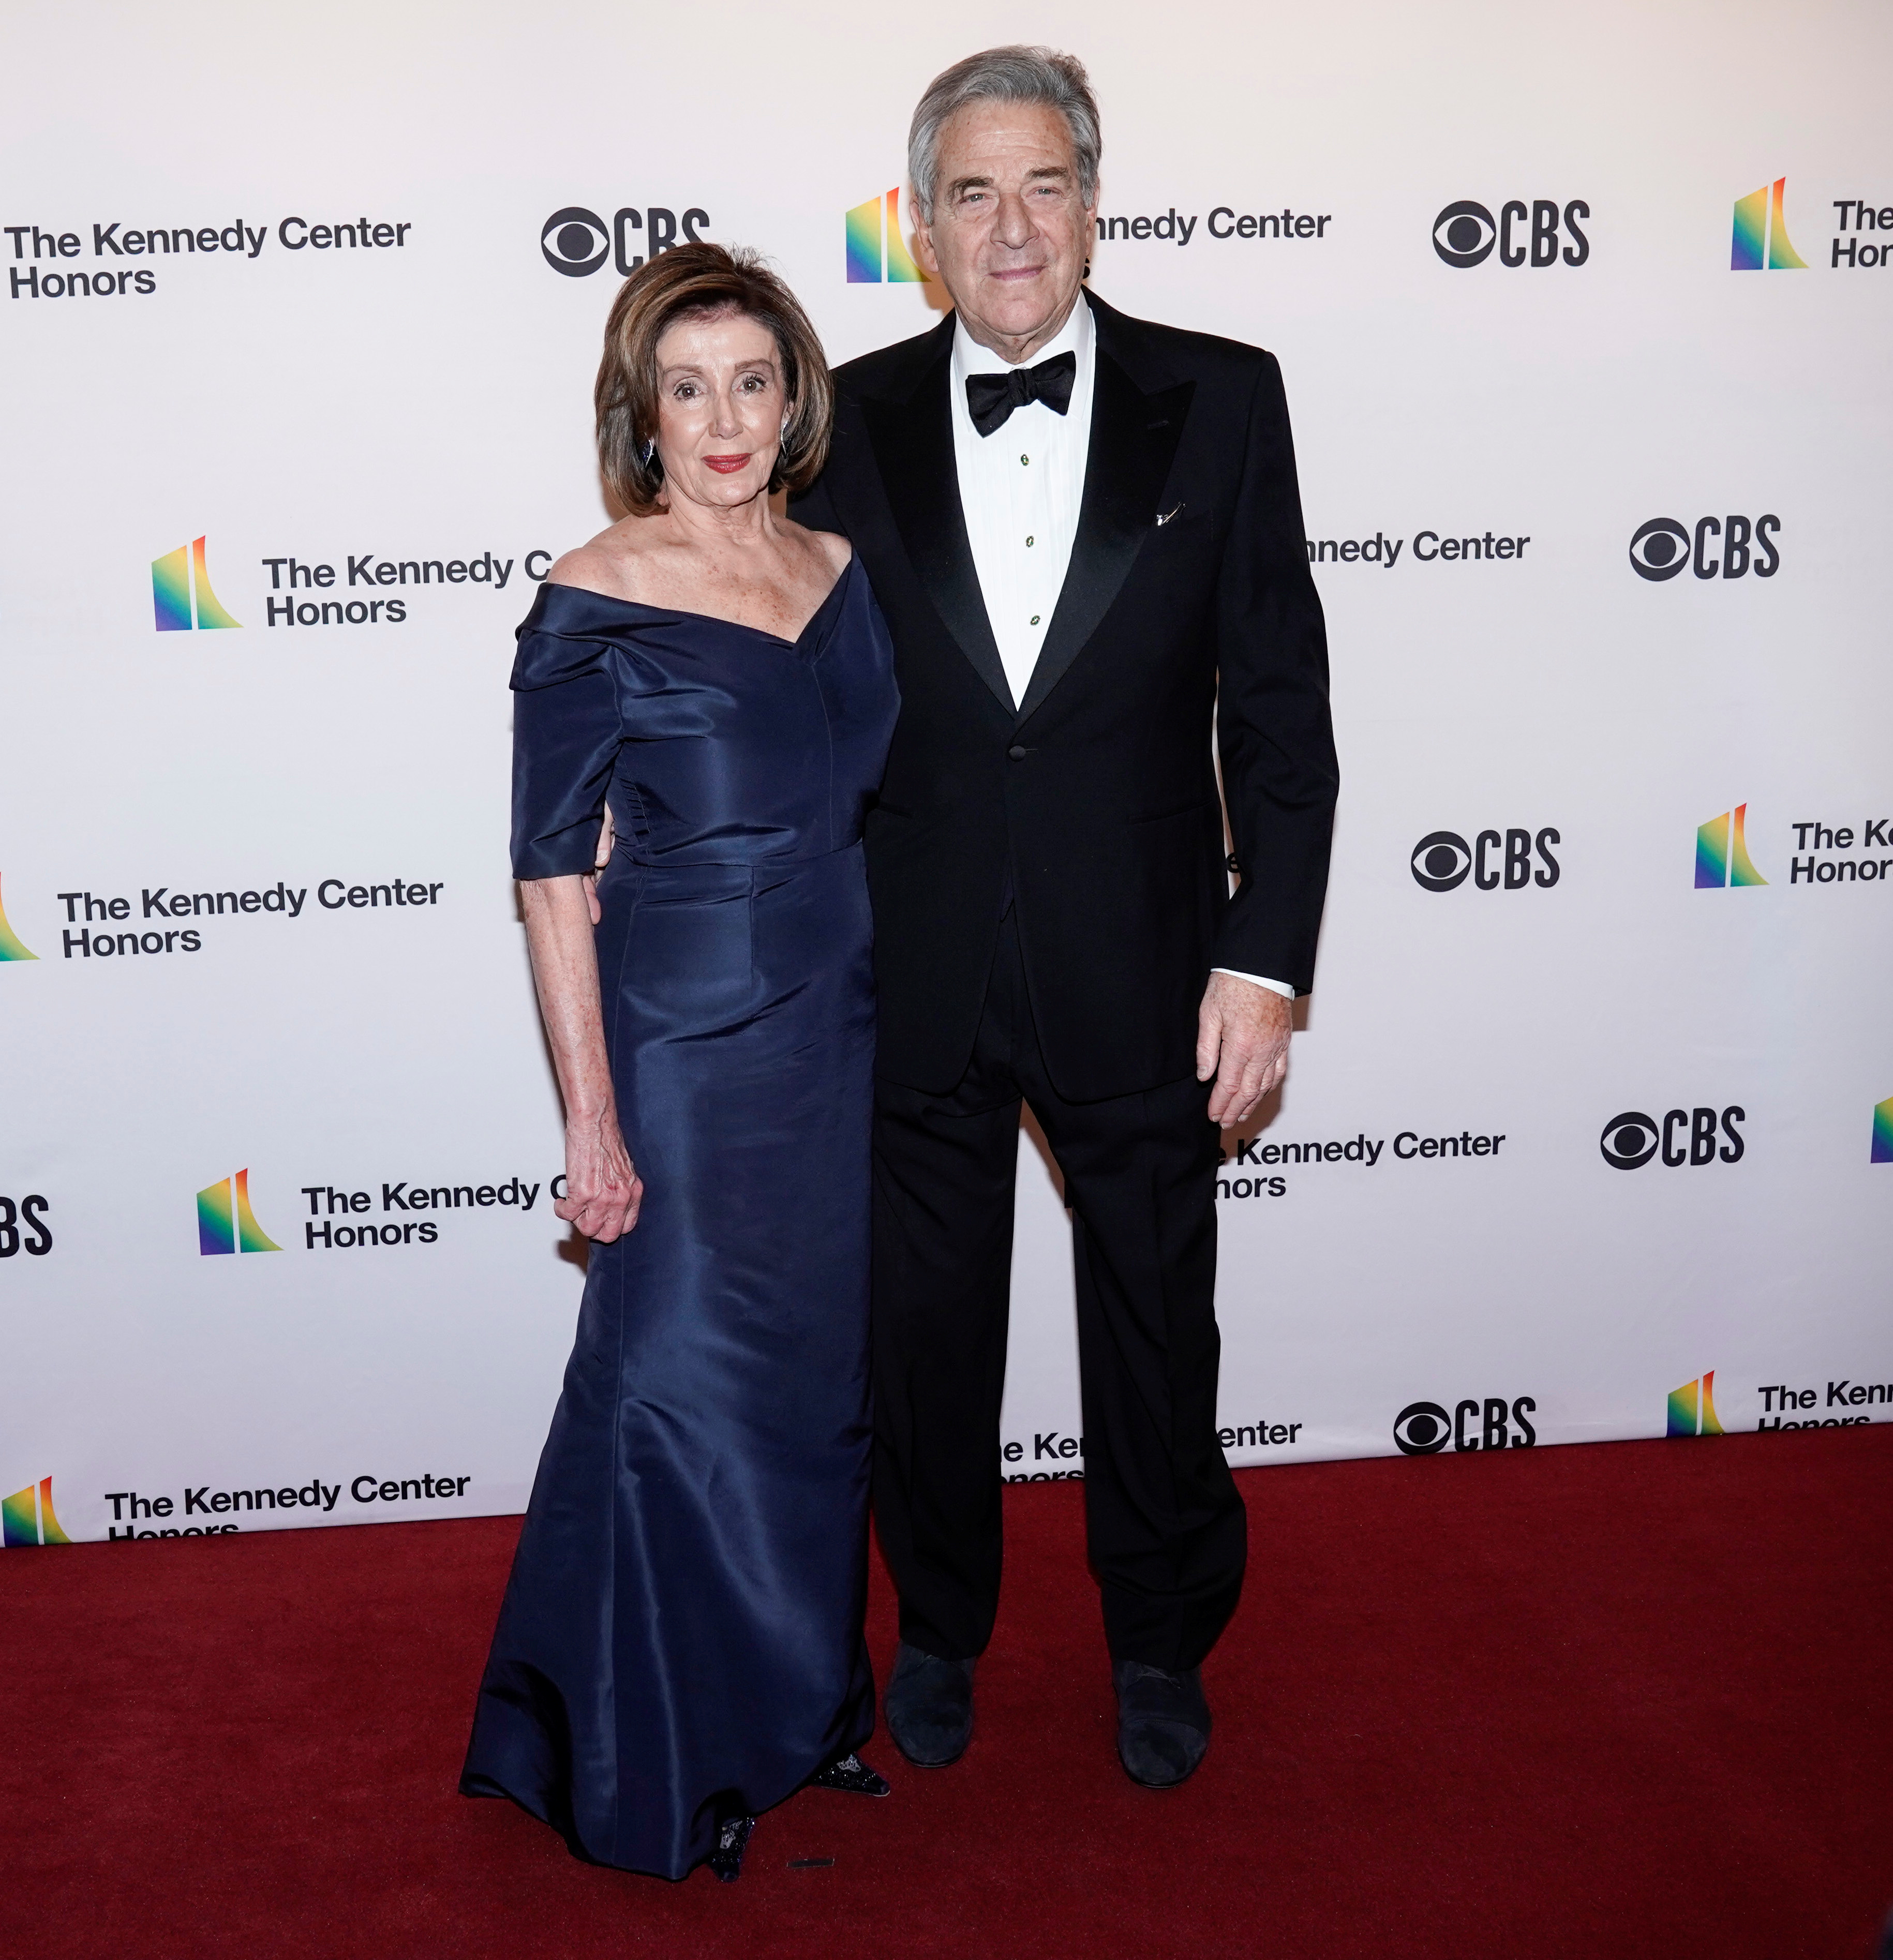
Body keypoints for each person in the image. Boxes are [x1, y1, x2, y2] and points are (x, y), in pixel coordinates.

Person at [788, 46, 1338, 1788]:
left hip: (1153, 965)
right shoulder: (840, 424)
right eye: (970, 192)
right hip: (913, 961)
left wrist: (1264, 960)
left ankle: (1160, 1635)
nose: (1009, 225)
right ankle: (937, 1625)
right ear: (921, 226)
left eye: (1041, 185)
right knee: (923, 1337)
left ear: (1093, 205)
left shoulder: (1225, 395)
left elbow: (1280, 712)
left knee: (1158, 1325)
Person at [460, 243, 901, 1882]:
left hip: (840, 1038)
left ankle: (798, 1712)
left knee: (811, 1400)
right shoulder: (594, 595)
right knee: (676, 1392)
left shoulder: (841, 569)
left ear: (793, 397)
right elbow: (551, 874)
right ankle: (660, 1755)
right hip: (688, 1047)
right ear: (641, 413)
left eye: (752, 380)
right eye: (687, 387)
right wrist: (593, 1122)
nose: (723, 419)